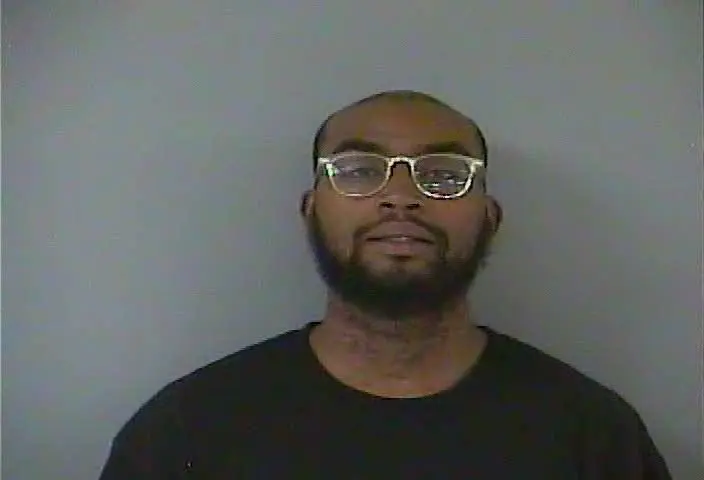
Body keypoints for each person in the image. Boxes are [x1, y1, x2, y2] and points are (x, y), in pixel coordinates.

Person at [99, 90, 672, 479]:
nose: (401, 196)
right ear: (310, 211)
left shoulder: (593, 436)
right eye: (359, 171)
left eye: (443, 175)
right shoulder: (185, 429)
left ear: (490, 218)